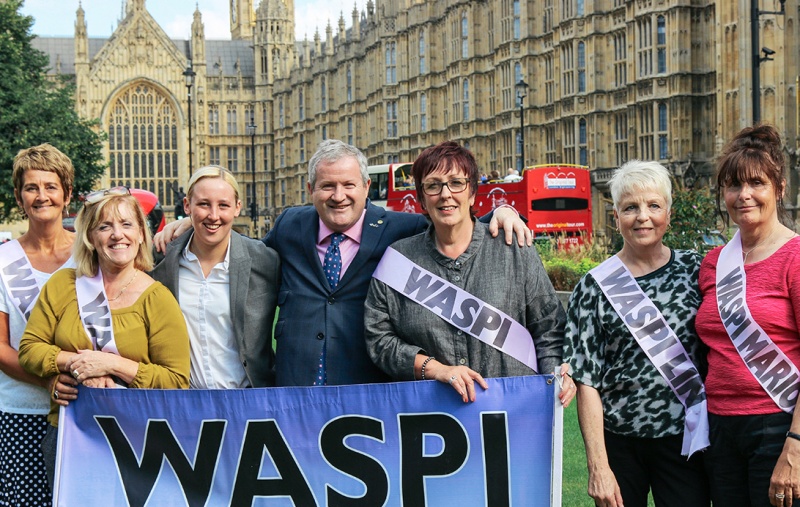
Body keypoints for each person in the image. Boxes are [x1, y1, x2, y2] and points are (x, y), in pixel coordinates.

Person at [155, 139, 531, 387]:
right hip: (293, 392)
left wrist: (504, 209)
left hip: (366, 389)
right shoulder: (290, 226)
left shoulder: (399, 229)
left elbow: (451, 221)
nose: (339, 196)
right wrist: (192, 221)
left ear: (367, 188)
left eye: (349, 185)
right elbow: (240, 252)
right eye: (327, 186)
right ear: (311, 191)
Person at [364, 141, 575, 405]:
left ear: (473, 193)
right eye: (433, 185)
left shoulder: (514, 250)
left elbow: (549, 328)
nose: (445, 194)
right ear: (420, 199)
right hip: (434, 418)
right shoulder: (398, 261)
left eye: (456, 183)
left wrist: (555, 378)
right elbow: (379, 340)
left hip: (514, 412)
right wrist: (435, 368)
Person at [18, 188, 190, 487]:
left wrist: (111, 364)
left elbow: (176, 381)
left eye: (126, 225)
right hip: (71, 435)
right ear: (90, 237)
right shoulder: (63, 284)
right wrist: (76, 364)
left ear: (140, 235)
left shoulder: (158, 299)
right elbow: (30, 349)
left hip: (137, 440)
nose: (116, 235)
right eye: (104, 226)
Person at [564, 160, 710, 507]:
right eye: (630, 207)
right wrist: (598, 465)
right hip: (619, 444)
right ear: (616, 217)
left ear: (669, 214)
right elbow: (586, 381)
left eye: (653, 205)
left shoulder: (697, 271)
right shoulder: (593, 287)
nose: (643, 216)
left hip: (685, 441)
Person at [695, 125, 800, 507]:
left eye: (757, 183)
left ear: (780, 189)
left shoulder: (795, 257)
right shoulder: (713, 263)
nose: (744, 195)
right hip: (720, 427)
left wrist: (797, 444)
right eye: (733, 184)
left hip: (777, 424)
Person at [152, 166, 280, 388]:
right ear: (187, 206)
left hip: (248, 400)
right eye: (203, 204)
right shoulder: (161, 260)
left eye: (223, 205)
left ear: (237, 208)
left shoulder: (265, 260)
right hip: (185, 402)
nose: (213, 215)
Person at [0, 144, 75, 506]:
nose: (41, 196)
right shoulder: (2, 260)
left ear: (67, 194)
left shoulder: (92, 253)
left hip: (85, 411)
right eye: (31, 188)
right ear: (19, 197)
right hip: (23, 411)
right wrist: (49, 382)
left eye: (51, 186)